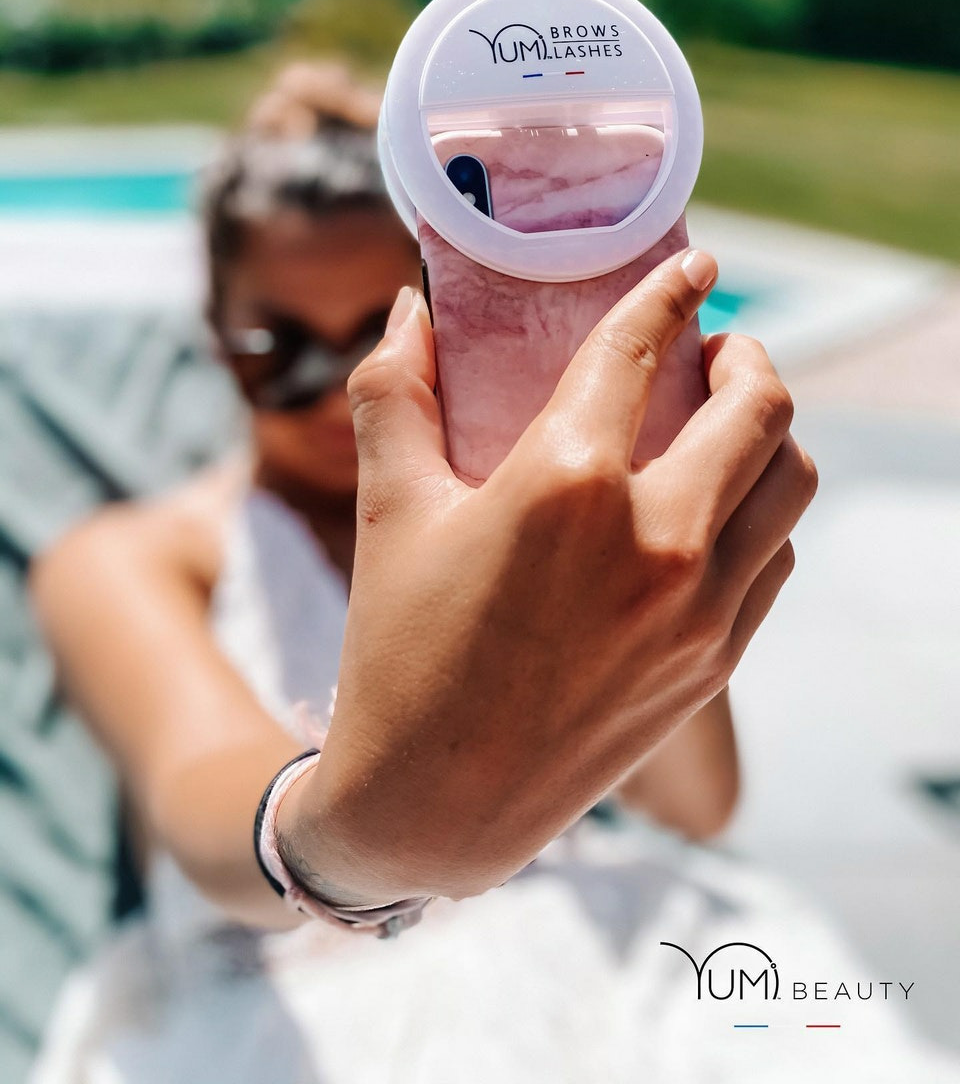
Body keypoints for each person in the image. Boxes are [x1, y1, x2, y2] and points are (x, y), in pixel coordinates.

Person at [27, 64, 956, 1082]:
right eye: (278, 352)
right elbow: (198, 789)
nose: (339, 396)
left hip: (601, 951)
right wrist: (347, 839)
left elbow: (693, 808)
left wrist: (640, 536)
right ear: (214, 340)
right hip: (289, 1000)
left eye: (373, 339)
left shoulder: (543, 527)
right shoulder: (134, 554)